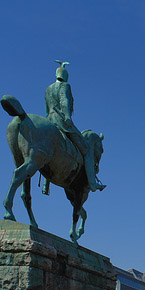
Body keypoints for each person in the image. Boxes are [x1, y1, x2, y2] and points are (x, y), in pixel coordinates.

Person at [42, 61, 106, 195]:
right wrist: (67, 117)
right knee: (87, 151)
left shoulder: (48, 88)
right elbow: (64, 100)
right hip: (62, 121)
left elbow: (47, 109)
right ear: (65, 76)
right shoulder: (65, 86)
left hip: (49, 120)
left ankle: (45, 185)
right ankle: (93, 184)